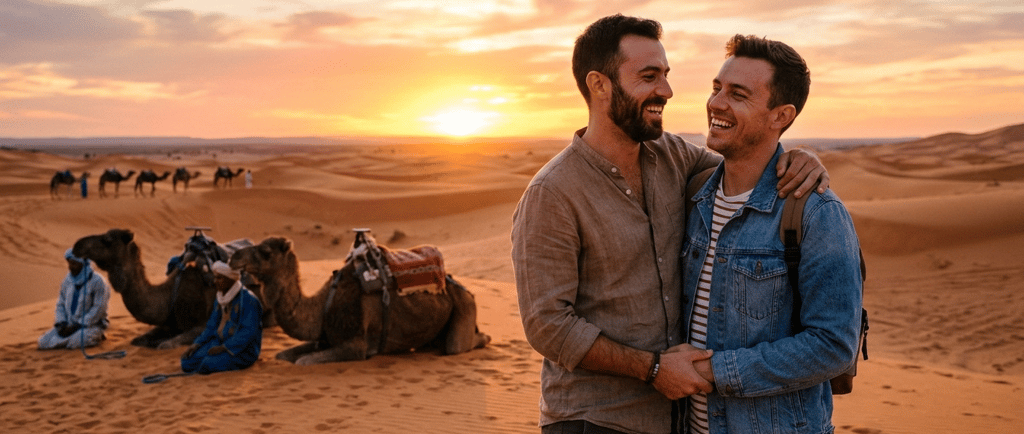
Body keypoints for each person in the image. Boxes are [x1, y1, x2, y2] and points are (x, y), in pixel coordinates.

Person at [511, 14, 830, 434]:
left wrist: (795, 158)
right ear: (599, 84)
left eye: (665, 74)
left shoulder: (674, 156)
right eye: (648, 76)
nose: (666, 90)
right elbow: (548, 327)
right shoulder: (552, 192)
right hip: (594, 420)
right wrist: (654, 368)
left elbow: (746, 163)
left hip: (676, 419)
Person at [678, 35, 863, 434]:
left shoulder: (817, 214)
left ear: (781, 116)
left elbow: (833, 345)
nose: (716, 103)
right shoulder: (694, 198)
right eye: (717, 88)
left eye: (738, 94)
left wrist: (714, 371)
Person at [180, 261, 262, 374]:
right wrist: (196, 344)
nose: (215, 282)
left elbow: (247, 332)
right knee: (187, 362)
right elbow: (211, 326)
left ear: (231, 279)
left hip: (241, 350)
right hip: (218, 342)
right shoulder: (220, 298)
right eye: (215, 278)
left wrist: (225, 347)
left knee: (207, 364)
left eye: (219, 278)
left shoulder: (248, 300)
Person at [38, 249, 111, 349]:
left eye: (74, 264)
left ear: (83, 264)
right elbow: (60, 304)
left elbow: (99, 308)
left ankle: (96, 336)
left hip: (91, 325)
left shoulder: (98, 281)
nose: (70, 267)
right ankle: (66, 340)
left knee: (75, 343)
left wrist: (78, 325)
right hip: (68, 326)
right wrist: (61, 324)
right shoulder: (67, 281)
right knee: (43, 342)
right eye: (70, 263)